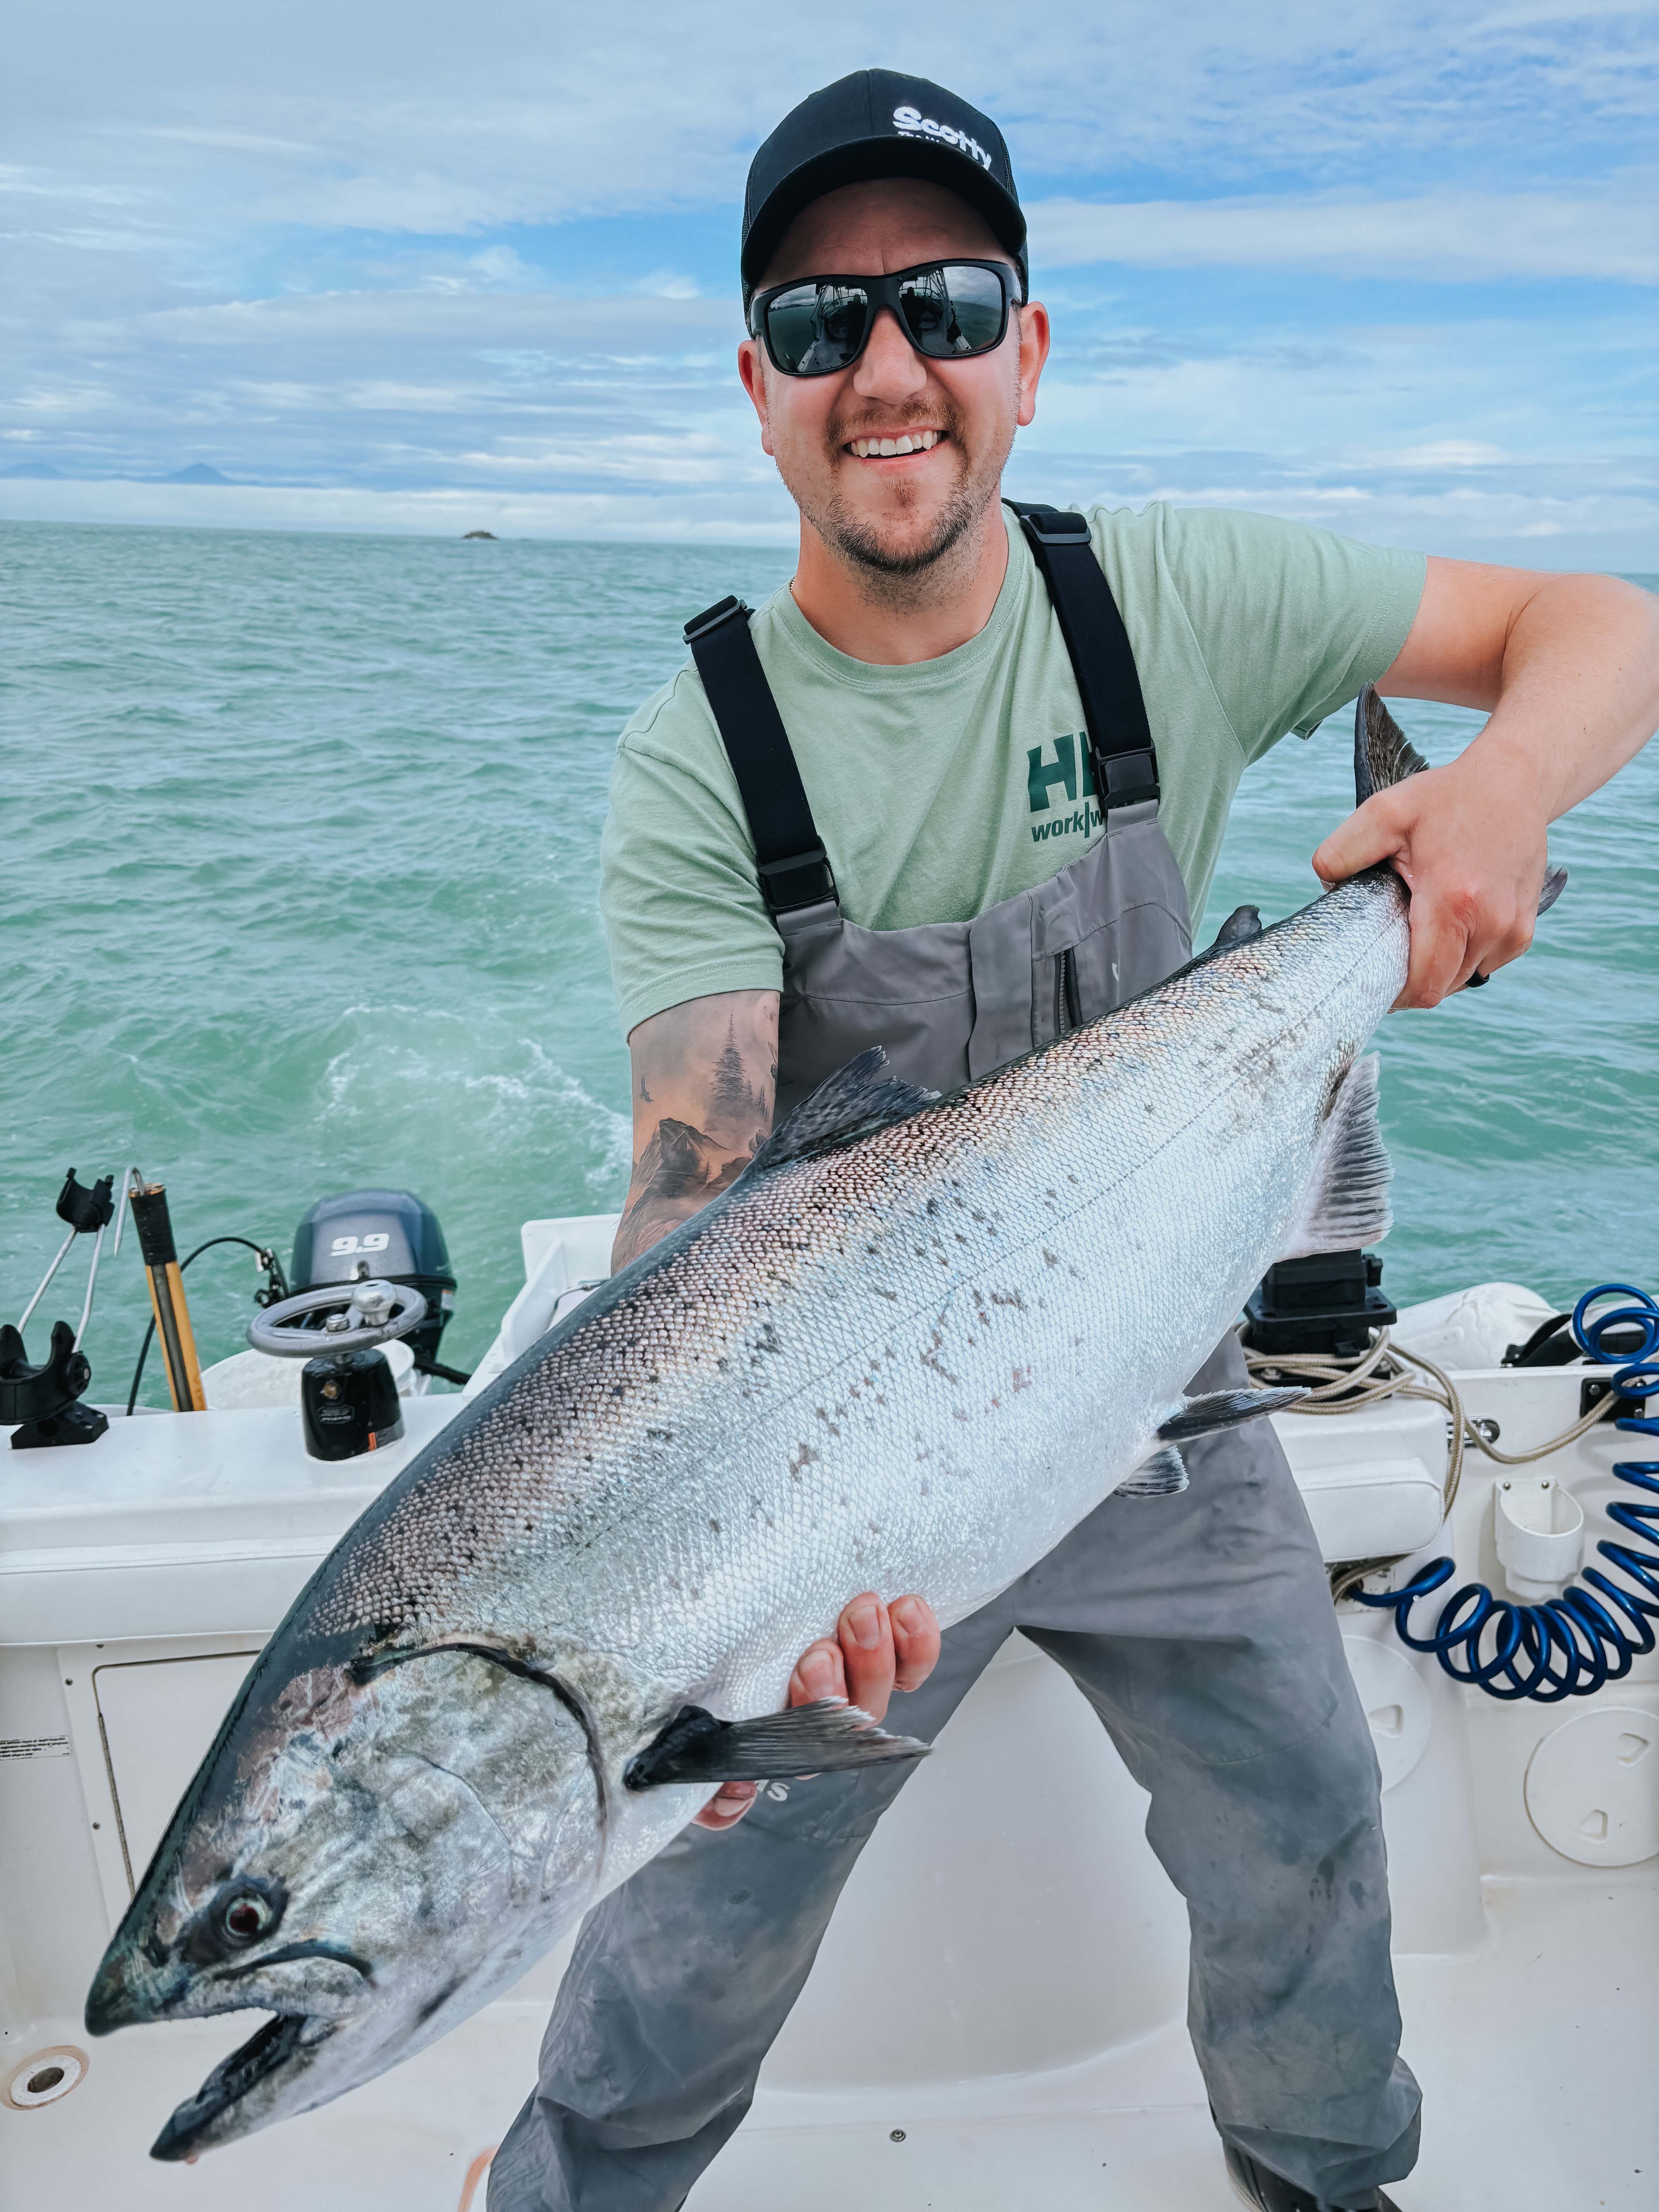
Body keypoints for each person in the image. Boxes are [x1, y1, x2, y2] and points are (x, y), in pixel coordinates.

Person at [489, 69, 1659, 2212]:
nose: (891, 369)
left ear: (1028, 353)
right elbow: (694, 1215)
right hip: (851, 1488)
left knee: (1310, 1803)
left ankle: (1326, 2170)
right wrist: (741, 1582)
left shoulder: (1167, 596)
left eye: (943, 301)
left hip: (1156, 1390)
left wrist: (1494, 802)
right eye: (825, 325)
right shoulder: (695, 756)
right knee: (691, 1924)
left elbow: (1599, 625)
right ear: (759, 387)